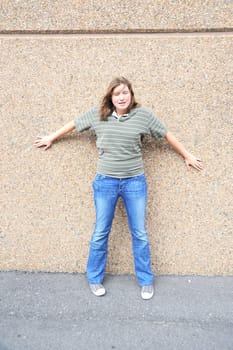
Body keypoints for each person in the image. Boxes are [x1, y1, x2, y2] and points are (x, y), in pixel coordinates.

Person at [34, 76, 203, 300]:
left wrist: (187, 155)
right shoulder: (98, 114)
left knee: (140, 233)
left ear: (131, 95)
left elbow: (166, 134)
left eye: (125, 93)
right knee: (100, 231)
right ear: (110, 97)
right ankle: (94, 278)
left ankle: (146, 281)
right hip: (106, 182)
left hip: (135, 182)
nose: (121, 97)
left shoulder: (143, 115)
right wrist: (51, 137)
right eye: (117, 94)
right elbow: (74, 124)